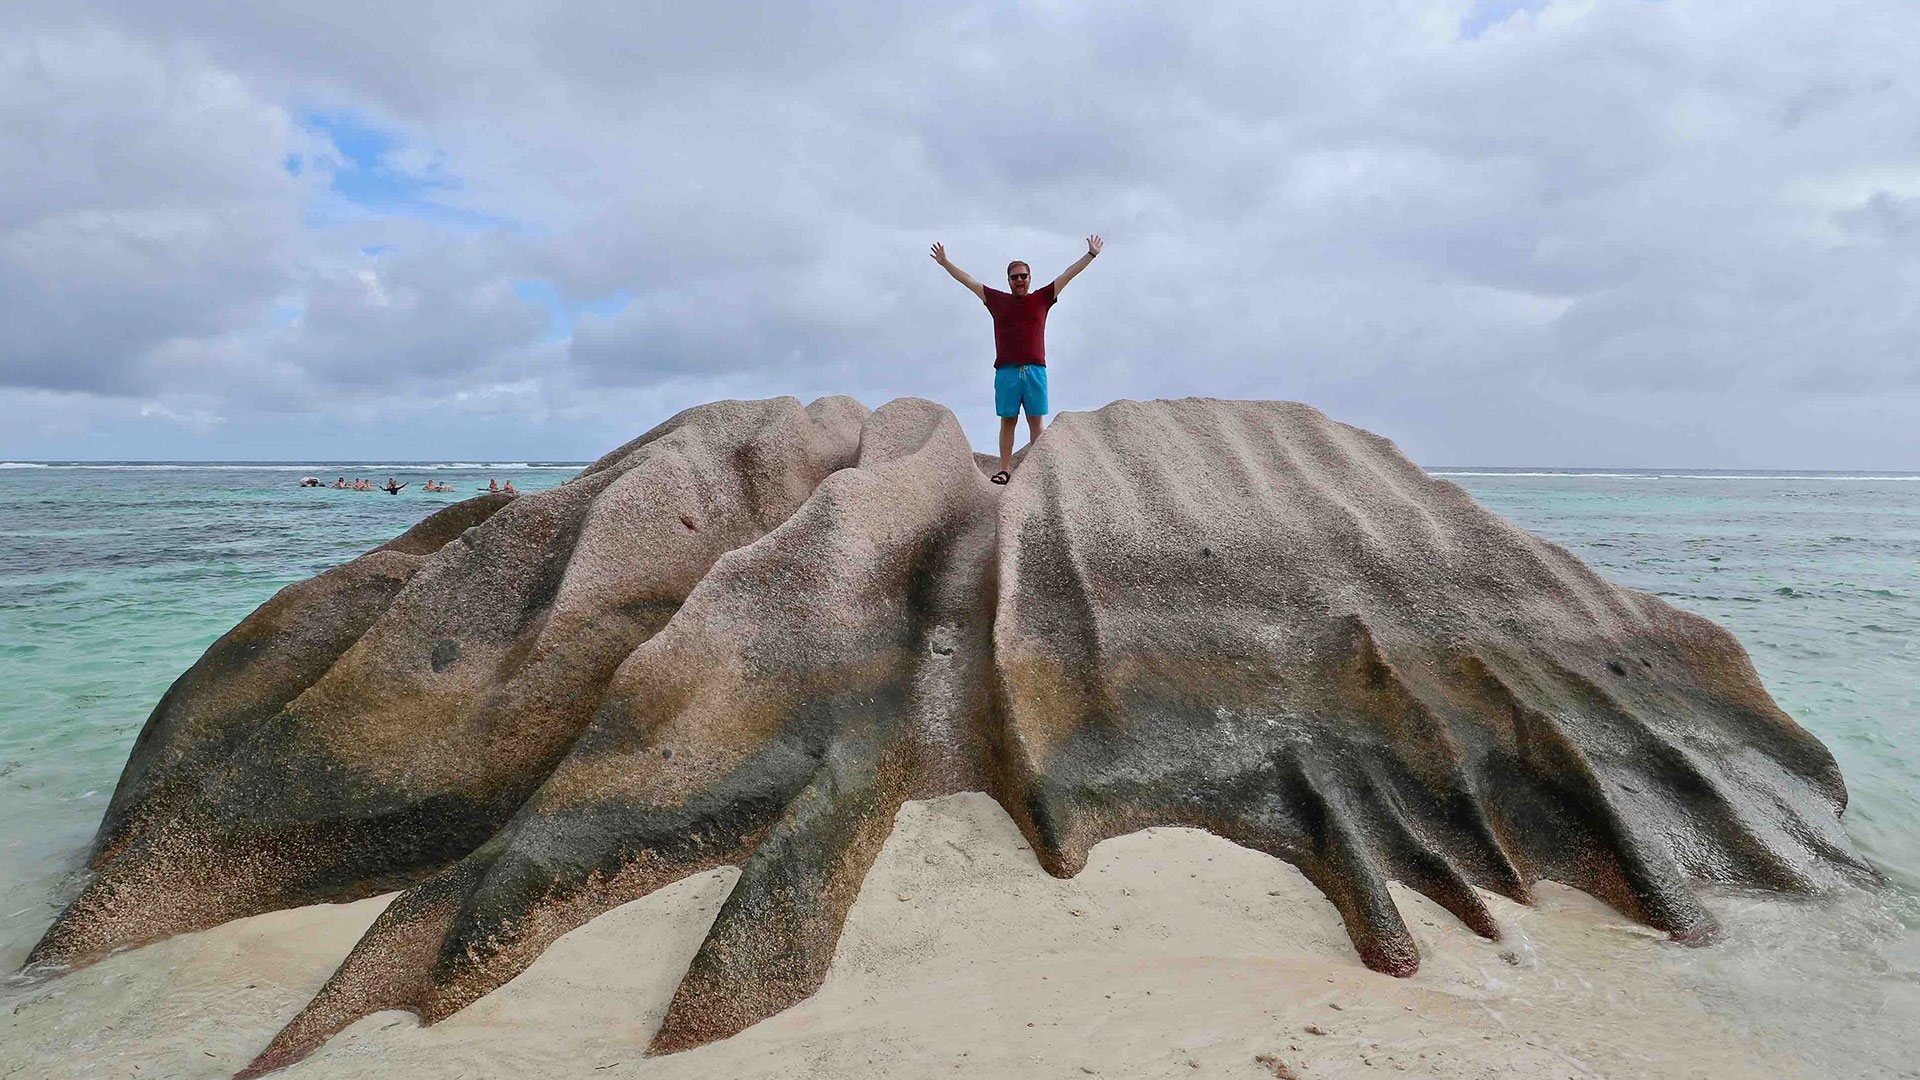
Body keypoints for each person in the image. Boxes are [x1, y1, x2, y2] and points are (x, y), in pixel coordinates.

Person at [931, 235, 1102, 484]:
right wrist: (945, 262)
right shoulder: (998, 301)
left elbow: (1068, 274)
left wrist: (1091, 255)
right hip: (1007, 372)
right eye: (1015, 277)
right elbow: (968, 281)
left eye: (1023, 276)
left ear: (1030, 278)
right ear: (1009, 281)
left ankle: (1038, 471)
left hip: (1035, 371)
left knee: (1036, 421)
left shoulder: (1041, 298)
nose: (1019, 280)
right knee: (1008, 420)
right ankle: (1004, 469)